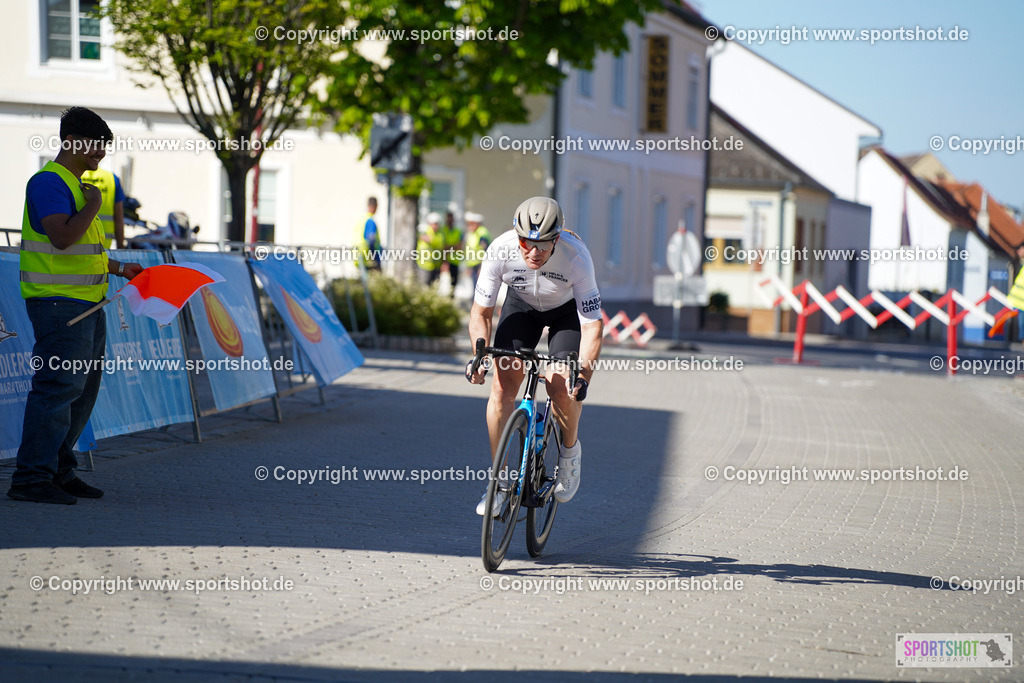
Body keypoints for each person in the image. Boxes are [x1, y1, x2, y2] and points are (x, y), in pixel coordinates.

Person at [8, 106, 143, 505]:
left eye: (103, 146)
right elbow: (62, 239)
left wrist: (120, 268)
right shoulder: (51, 183)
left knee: (79, 393)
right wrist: (93, 204)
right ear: (70, 141)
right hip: (58, 307)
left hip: (85, 305)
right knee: (57, 389)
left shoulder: (76, 186)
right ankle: (31, 478)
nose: (100, 153)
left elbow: (85, 254)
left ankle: (58, 471)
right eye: (94, 145)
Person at [466, 196, 603, 515]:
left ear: (557, 238)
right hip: (521, 307)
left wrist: (583, 376)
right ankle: (499, 483)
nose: (534, 252)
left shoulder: (576, 257)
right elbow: (481, 312)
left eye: (542, 244)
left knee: (560, 385)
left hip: (565, 313)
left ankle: (569, 455)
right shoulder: (500, 250)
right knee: (501, 388)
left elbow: (593, 327)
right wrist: (479, 355)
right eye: (527, 243)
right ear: (517, 237)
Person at [80, 165, 126, 249]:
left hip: (75, 243)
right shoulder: (111, 178)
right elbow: (118, 218)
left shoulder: (73, 176)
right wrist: (120, 247)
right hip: (103, 246)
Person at [462, 211, 491, 286]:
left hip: (480, 265)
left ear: (476, 223)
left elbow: (486, 250)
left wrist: (482, 266)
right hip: (473, 265)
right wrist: (468, 266)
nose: (468, 226)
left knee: (479, 287)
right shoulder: (472, 233)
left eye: (470, 224)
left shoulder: (482, 232)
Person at [416, 212, 445, 286]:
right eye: (433, 224)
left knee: (434, 286)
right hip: (424, 265)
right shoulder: (425, 230)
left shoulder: (440, 233)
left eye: (436, 224)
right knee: (424, 286)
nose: (435, 226)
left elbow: (439, 245)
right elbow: (421, 235)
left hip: (436, 265)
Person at [355, 196, 382, 271]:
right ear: (376, 206)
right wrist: (374, 257)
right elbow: (371, 239)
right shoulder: (370, 221)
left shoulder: (362, 219)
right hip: (367, 257)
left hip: (358, 255)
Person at [443, 210, 462, 295]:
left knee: (453, 283)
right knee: (443, 282)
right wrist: (452, 247)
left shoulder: (457, 231)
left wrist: (448, 247)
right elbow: (442, 246)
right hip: (444, 260)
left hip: (455, 261)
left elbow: (459, 247)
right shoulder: (443, 230)